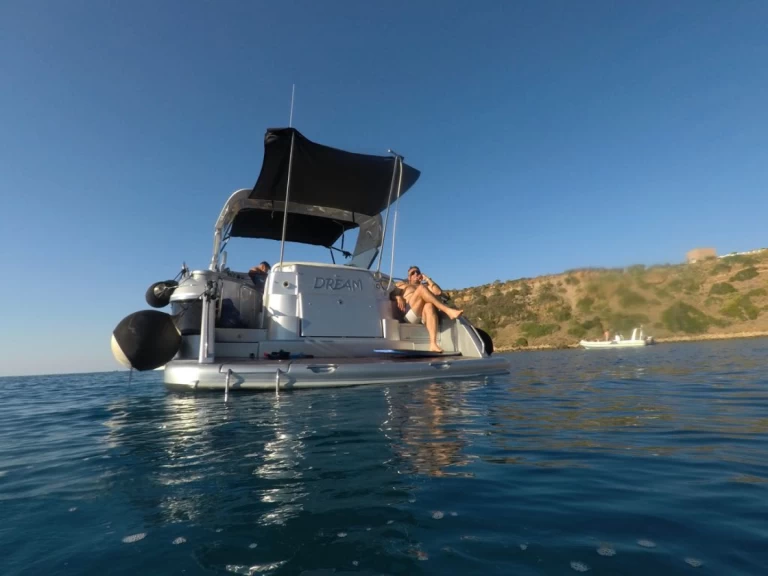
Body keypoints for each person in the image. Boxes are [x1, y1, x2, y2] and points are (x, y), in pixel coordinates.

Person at [391, 266, 463, 353]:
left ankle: (433, 344)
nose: (416, 274)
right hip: (410, 313)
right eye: (412, 273)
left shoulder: (426, 286)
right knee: (421, 289)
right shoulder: (403, 284)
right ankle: (448, 311)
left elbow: (438, 292)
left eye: (417, 272)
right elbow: (390, 294)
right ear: (409, 277)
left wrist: (427, 279)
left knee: (429, 305)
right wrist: (398, 297)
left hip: (423, 316)